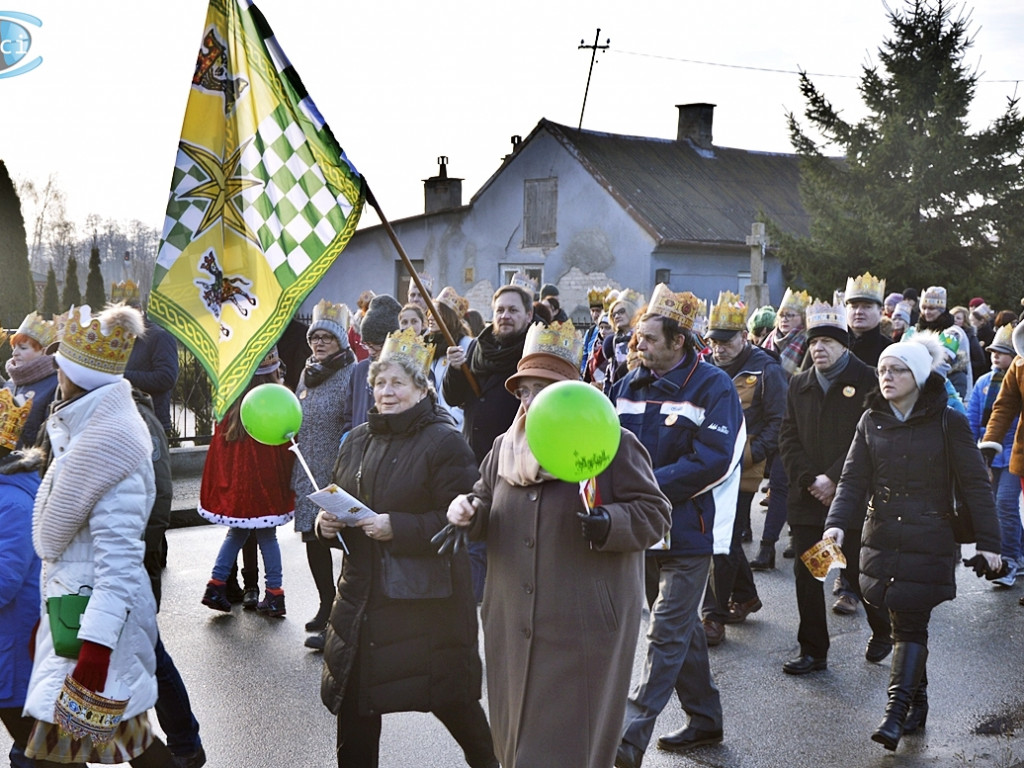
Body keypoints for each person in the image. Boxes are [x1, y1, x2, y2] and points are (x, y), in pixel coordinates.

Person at [446, 320, 671, 768]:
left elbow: (656, 514)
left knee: (563, 747)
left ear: (571, 394)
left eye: (544, 390)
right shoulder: (504, 447)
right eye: (525, 391)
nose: (532, 402)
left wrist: (610, 522)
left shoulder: (611, 442)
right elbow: (485, 499)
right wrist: (468, 511)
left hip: (581, 626)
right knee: (515, 742)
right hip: (512, 620)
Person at [317, 328, 498, 768]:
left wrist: (396, 527)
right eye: (380, 382)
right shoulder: (357, 440)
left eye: (398, 382)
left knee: (451, 700)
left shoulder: (444, 441)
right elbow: (343, 500)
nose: (386, 391)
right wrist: (328, 525)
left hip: (425, 602)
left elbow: (461, 522)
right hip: (362, 597)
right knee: (356, 703)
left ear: (422, 388)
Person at [823, 341, 1001, 751]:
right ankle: (917, 705)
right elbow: (852, 479)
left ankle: (894, 713)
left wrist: (990, 543)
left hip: (929, 536)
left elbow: (976, 484)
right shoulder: (871, 419)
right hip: (881, 535)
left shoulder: (948, 420)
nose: (887, 377)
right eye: (883, 370)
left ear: (918, 376)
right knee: (898, 617)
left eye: (897, 370)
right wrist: (836, 524)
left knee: (910, 623)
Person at [23, 303, 177, 765]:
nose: (56, 375)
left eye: (61, 367)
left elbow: (120, 562)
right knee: (125, 742)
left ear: (76, 377)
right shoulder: (90, 429)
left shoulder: (112, 445)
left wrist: (95, 648)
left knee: (61, 752)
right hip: (77, 618)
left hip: (94, 629)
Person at [610, 284, 745, 767]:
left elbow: (714, 459)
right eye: (638, 337)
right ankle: (705, 719)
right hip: (642, 531)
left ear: (678, 341)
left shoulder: (714, 386)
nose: (638, 345)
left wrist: (643, 486)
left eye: (649, 338)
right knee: (680, 630)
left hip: (688, 531)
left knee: (665, 633)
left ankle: (626, 741)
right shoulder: (625, 386)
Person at [777, 300, 892, 675]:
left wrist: (834, 478)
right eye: (813, 342)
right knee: (810, 573)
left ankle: (883, 629)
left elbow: (874, 436)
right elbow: (787, 437)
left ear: (844, 345)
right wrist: (811, 479)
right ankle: (813, 651)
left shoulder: (868, 379)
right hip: (809, 499)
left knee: (858, 572)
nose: (818, 348)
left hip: (852, 498)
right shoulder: (800, 383)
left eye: (827, 341)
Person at [701, 293, 787, 646]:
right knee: (724, 535)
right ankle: (746, 595)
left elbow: (780, 421)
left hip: (743, 468)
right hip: (707, 463)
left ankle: (713, 615)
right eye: (714, 341)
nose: (718, 349)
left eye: (726, 341)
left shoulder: (767, 369)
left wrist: (751, 454)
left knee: (722, 537)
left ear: (744, 336)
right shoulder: (705, 367)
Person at [443, 283, 534, 601]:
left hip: (518, 464)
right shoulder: (478, 349)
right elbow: (454, 397)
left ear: (528, 315)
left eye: (513, 310)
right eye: (500, 310)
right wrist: (456, 370)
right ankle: (477, 613)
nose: (505, 316)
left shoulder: (532, 352)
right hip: (476, 460)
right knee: (475, 543)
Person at [199, 348, 296, 617]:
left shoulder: (231, 404)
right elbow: (289, 445)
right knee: (268, 537)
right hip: (267, 486)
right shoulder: (279, 401)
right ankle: (274, 592)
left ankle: (216, 584)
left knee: (236, 534)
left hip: (240, 489)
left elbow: (220, 452)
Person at [291, 301, 357, 650]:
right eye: (314, 337)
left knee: (342, 541)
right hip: (307, 469)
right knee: (312, 539)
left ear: (340, 342)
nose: (318, 343)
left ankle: (344, 611)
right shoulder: (307, 373)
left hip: (338, 472)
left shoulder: (351, 373)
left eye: (326, 338)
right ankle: (325, 603)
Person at [832, 273, 894, 614]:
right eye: (853, 305)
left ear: (879, 311)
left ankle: (851, 585)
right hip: (830, 442)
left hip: (871, 442)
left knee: (859, 518)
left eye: (866, 306)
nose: (858, 311)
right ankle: (839, 572)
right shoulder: (831, 341)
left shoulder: (889, 348)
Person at [752, 287, 811, 570]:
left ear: (802, 319)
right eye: (782, 314)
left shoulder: (807, 343)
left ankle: (769, 546)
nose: (785, 319)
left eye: (792, 315)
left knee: (781, 483)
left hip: (795, 421)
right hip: (768, 418)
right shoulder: (767, 342)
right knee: (763, 482)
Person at [0, 404, 42, 768]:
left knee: (38, 748)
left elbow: (4, 581)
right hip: (10, 640)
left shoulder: (12, 502)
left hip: (13, 644)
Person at [969, 323, 1022, 588]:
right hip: (1003, 455)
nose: (996, 356)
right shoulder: (986, 381)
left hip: (1014, 453)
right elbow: (999, 409)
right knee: (1001, 508)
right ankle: (1015, 556)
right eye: (993, 351)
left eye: (1003, 351)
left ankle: (1010, 559)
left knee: (1005, 505)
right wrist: (984, 446)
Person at [117, 281, 180, 436]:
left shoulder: (159, 337)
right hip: (125, 422)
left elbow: (166, 378)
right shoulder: (119, 338)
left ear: (138, 310)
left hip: (151, 422)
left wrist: (122, 376)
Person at [341, 294, 402, 436]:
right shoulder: (360, 370)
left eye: (377, 345)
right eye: (367, 344)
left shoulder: (407, 373)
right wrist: (348, 436)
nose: (371, 351)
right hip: (360, 444)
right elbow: (349, 414)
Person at [4, 312, 59, 449]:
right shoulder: (11, 382)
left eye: (23, 348)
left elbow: (50, 440)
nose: (14, 353)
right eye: (14, 347)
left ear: (44, 351)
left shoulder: (56, 385)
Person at [425, 287, 472, 431]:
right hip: (430, 425)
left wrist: (453, 418)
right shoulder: (428, 347)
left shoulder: (466, 344)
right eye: (430, 312)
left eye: (437, 313)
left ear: (448, 317)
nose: (430, 318)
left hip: (455, 425)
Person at [916, 286, 972, 401]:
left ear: (941, 310)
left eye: (931, 308)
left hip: (950, 385)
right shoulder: (915, 331)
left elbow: (940, 360)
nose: (926, 312)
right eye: (924, 308)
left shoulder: (953, 332)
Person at [602, 289, 643, 393]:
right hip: (617, 392)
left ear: (631, 311)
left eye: (621, 312)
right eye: (614, 314)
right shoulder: (613, 341)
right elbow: (610, 372)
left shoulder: (642, 337)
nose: (617, 316)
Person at [581, 286, 611, 375]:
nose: (595, 314)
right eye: (592, 311)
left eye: (598, 311)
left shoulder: (613, 330)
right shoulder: (590, 332)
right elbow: (584, 356)